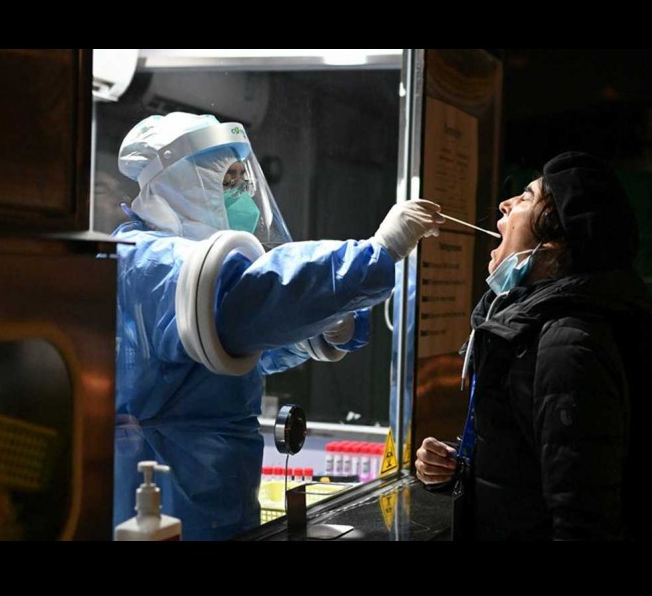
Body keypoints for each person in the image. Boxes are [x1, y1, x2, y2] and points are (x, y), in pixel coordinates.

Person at [112, 112, 443, 540]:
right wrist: (375, 253)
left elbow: (241, 352)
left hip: (217, 484)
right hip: (165, 485)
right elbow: (246, 302)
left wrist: (317, 332)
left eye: (243, 180)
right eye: (228, 181)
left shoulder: (185, 259)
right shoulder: (150, 260)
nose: (243, 196)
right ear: (181, 184)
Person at [415, 151, 651, 540]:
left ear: (553, 246)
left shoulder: (567, 345)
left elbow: (583, 515)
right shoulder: (528, 333)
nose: (505, 204)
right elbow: (532, 470)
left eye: (526, 196)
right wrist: (458, 466)